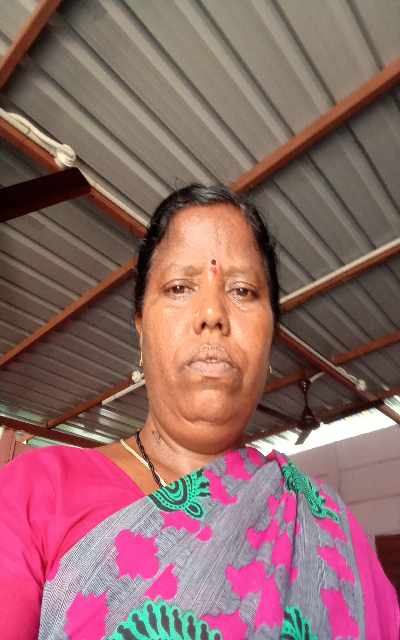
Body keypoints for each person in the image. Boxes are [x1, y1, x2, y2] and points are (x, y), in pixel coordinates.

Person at [0, 184, 398, 639]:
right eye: (178, 287)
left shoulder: (324, 526)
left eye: (243, 290)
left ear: (270, 336)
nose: (212, 312)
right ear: (141, 328)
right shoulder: (32, 495)